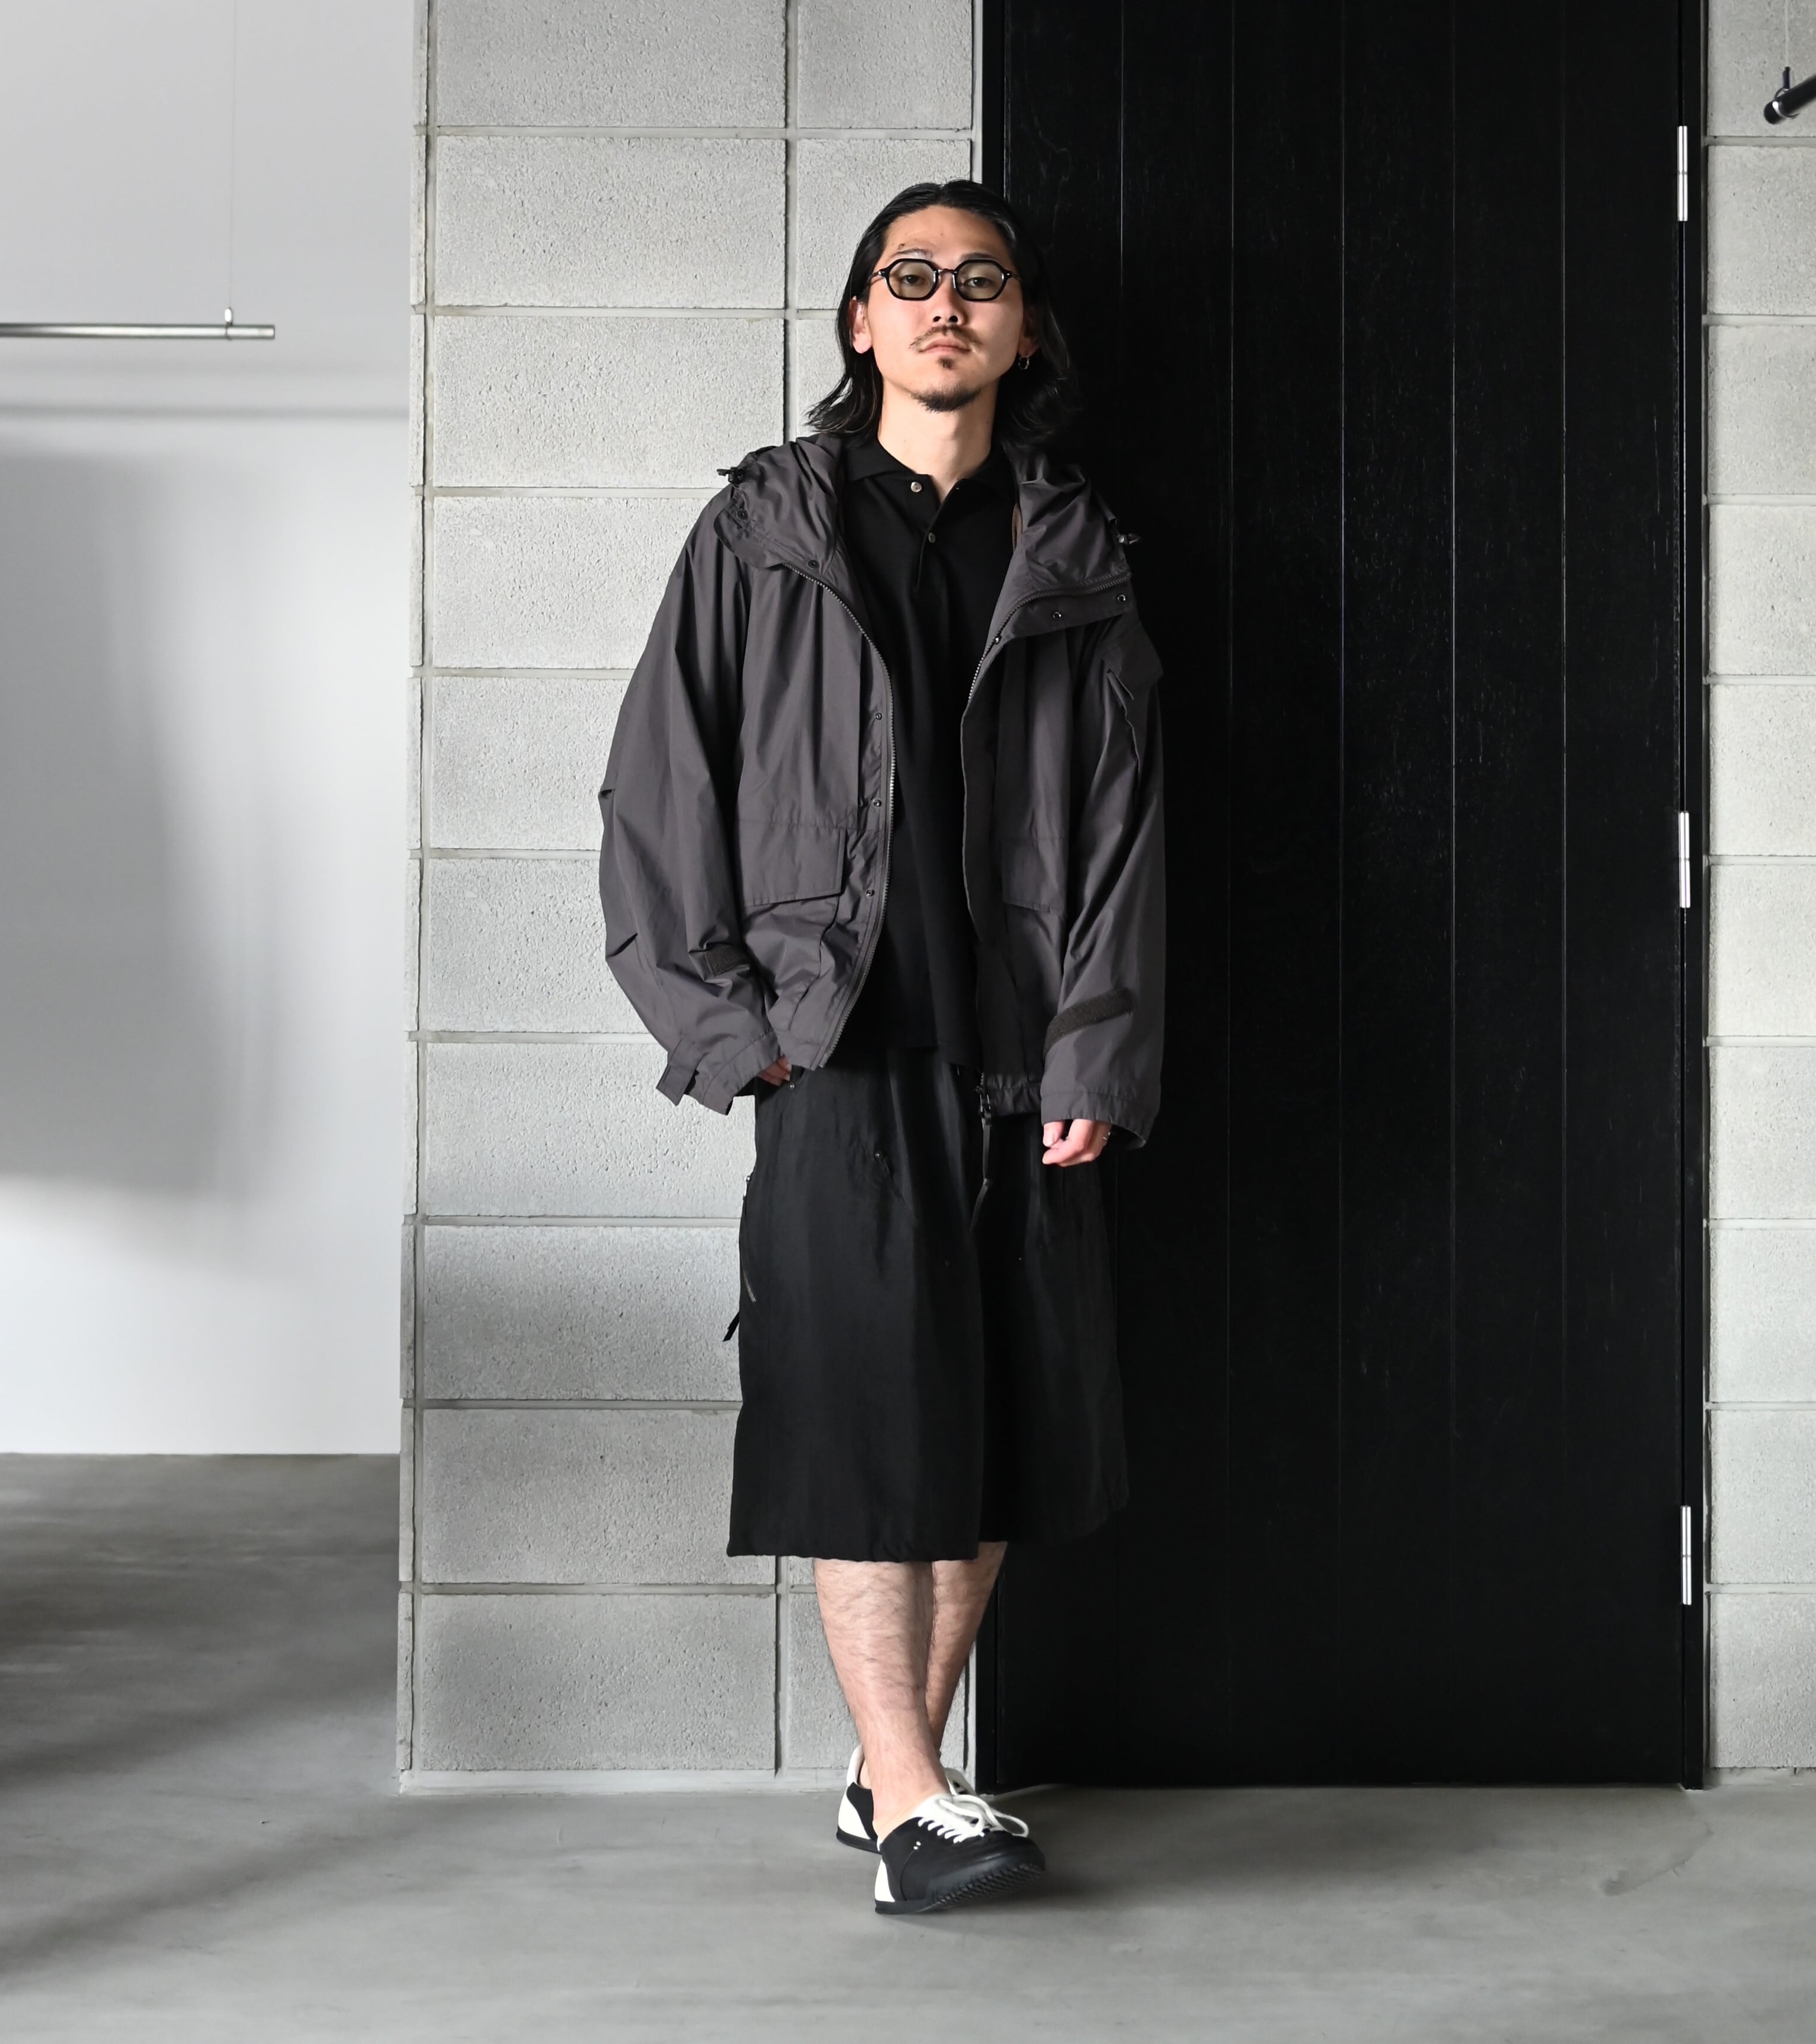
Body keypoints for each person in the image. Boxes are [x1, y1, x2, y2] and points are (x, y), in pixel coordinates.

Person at [597, 179, 1164, 1916]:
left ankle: (891, 1779)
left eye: (979, 281)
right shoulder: (765, 530)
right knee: (865, 1423)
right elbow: (658, 789)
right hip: (835, 1048)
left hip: (1021, 1054)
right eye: (908, 278)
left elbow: (1127, 831)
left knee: (989, 1431)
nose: (943, 305)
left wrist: (1096, 1055)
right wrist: (730, 1032)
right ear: (862, 320)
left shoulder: (1076, 550)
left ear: (1022, 328)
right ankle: (919, 1799)